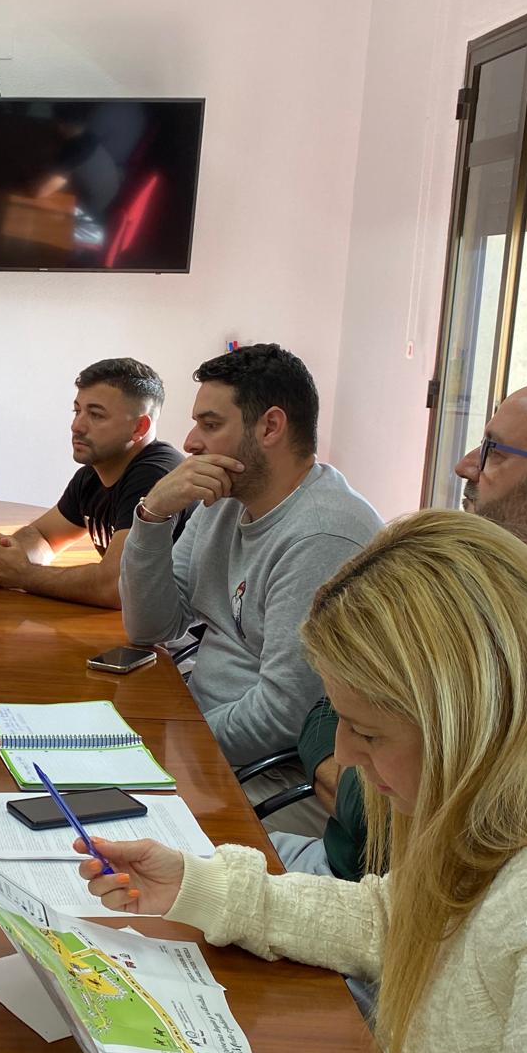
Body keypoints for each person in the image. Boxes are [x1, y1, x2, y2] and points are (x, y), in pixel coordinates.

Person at [83, 510, 527, 1053]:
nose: (345, 754)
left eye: (367, 732)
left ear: (468, 725)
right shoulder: (498, 825)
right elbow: (397, 921)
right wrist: (198, 886)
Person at [279, 379, 527, 878]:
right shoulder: (493, 606)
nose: (466, 466)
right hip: (343, 873)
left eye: (493, 452)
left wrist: (346, 771)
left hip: (384, 912)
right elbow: (324, 710)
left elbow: (382, 814)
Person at [119, 344, 381, 832]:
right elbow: (150, 625)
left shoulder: (322, 537)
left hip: (266, 774)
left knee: (100, 828)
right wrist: (152, 515)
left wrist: (160, 745)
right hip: (204, 735)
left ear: (270, 427)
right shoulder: (225, 499)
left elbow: (284, 715)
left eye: (211, 424)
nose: (191, 441)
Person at [0, 359, 185, 609]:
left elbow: (116, 587)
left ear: (139, 427)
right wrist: (3, 561)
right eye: (77, 411)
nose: (76, 426)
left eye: (96, 415)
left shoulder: (156, 475)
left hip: (185, 641)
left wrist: (24, 574)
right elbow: (43, 536)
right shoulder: (93, 473)